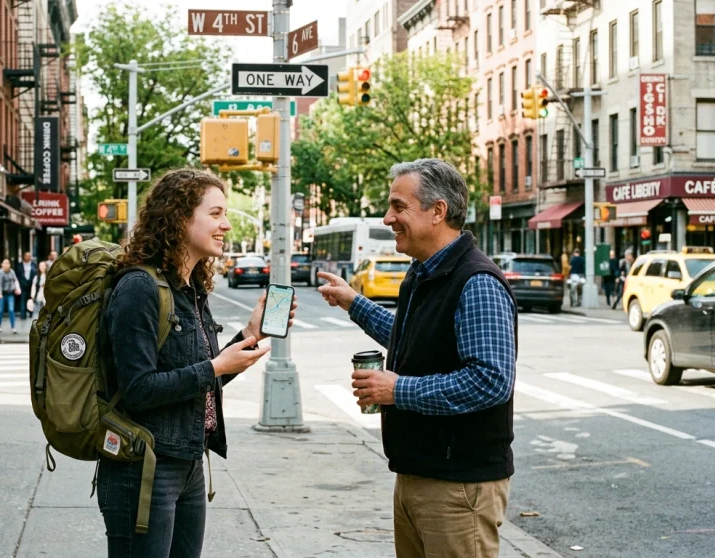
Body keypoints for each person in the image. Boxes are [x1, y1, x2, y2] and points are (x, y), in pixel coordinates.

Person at [317, 159, 517, 557]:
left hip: (457, 485)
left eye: (398, 206)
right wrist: (354, 303)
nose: (388, 217)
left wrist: (397, 390)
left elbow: (491, 381)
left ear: (437, 211)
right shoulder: (423, 272)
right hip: (417, 474)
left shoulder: (475, 281)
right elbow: (412, 339)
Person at [97, 168, 296, 557]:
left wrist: (248, 337)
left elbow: (198, 379)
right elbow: (138, 390)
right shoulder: (139, 288)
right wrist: (218, 367)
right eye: (216, 213)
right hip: (144, 467)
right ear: (180, 217)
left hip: (188, 461)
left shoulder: (189, 290)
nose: (227, 224)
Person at [0, 258, 21, 334]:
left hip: (10, 293)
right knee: (0, 310)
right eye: (5, 263)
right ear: (2, 265)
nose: (6, 265)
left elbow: (15, 281)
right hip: (1, 293)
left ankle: (13, 327)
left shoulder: (12, 272)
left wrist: (16, 289)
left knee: (11, 310)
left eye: (8, 263)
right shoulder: (0, 272)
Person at [16, 251, 36, 320]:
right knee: (23, 300)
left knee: (31, 299)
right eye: (26, 256)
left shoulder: (33, 265)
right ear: (23, 257)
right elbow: (18, 276)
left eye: (29, 256)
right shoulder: (19, 265)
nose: (28, 257)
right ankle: (23, 315)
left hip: (31, 284)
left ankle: (31, 314)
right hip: (23, 285)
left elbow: (35, 274)